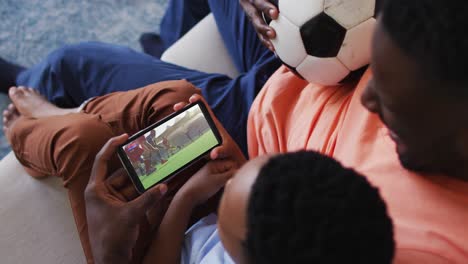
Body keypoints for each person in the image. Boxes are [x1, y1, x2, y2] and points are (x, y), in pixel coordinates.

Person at [0, 0, 282, 156]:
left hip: (262, 115)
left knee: (70, 65)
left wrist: (77, 115)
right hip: (289, 72)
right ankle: (163, 57)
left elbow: (144, 161)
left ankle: (26, 83)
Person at [86, 136, 395, 263]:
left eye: (230, 193)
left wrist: (107, 254)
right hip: (185, 214)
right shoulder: (343, 233)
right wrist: (191, 195)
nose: (231, 180)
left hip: (154, 246)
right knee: (177, 97)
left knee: (79, 140)